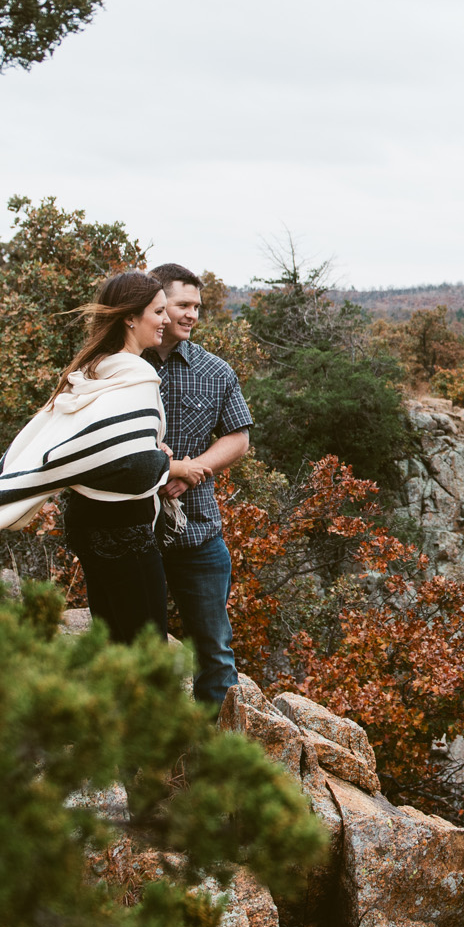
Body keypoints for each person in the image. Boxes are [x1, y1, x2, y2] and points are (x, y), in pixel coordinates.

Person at [0, 270, 175, 645]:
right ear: (130, 317)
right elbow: (134, 469)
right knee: (145, 651)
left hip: (87, 523)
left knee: (112, 645)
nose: (166, 320)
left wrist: (144, 450)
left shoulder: (93, 372)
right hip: (124, 530)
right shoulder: (136, 375)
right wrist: (165, 462)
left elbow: (85, 449)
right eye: (159, 312)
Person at [144, 263, 254, 704]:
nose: (192, 315)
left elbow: (238, 437)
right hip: (134, 532)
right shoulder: (120, 367)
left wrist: (195, 471)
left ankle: (214, 761)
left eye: (198, 307)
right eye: (183, 305)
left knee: (214, 649)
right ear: (156, 305)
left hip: (199, 528)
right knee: (138, 648)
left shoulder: (214, 371)